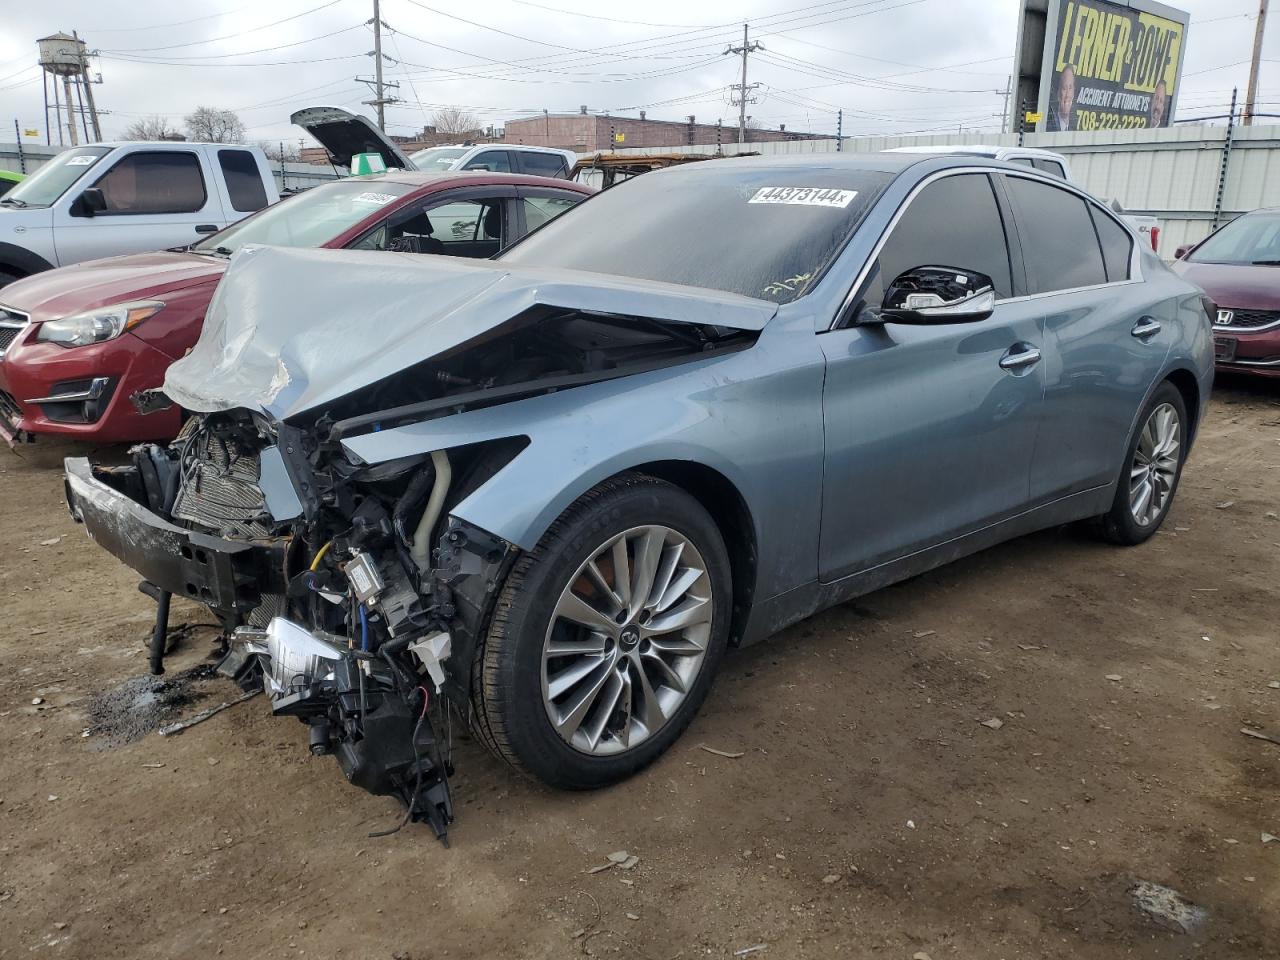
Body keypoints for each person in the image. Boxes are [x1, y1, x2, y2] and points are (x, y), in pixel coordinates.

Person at [1047, 66, 1077, 132]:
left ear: (1073, 93)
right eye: (1064, 88)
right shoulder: (1047, 126)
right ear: (1058, 94)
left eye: (1070, 88)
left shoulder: (1073, 132)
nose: (1067, 95)